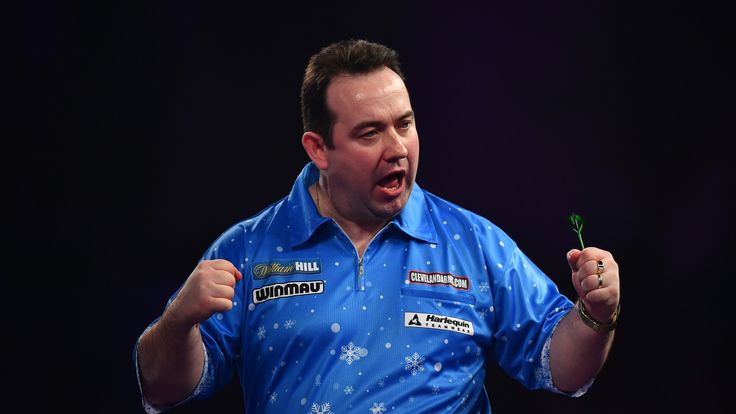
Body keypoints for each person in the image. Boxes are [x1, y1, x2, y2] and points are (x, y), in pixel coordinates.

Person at [134, 39, 621, 413]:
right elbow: (162, 387)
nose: (397, 148)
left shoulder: (474, 243)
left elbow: (562, 368)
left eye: (404, 125)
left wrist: (596, 315)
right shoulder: (247, 249)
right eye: (370, 133)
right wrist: (178, 323)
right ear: (318, 149)